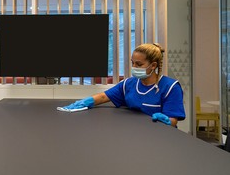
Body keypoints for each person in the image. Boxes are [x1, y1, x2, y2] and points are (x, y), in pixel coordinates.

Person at [58, 43, 186, 127]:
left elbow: (173, 120)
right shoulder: (128, 84)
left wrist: (167, 121)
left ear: (153, 65)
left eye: (139, 64)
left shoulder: (170, 87)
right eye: (132, 63)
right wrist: (84, 102)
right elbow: (104, 97)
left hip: (160, 138)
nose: (134, 67)